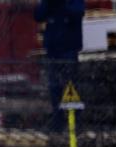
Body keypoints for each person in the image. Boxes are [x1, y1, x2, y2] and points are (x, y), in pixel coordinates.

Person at [35, 0, 85, 130]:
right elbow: (38, 15)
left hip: (69, 46)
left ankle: (74, 120)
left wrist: (62, 5)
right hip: (53, 48)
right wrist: (48, 4)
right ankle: (57, 121)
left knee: (71, 84)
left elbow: (78, 13)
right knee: (54, 86)